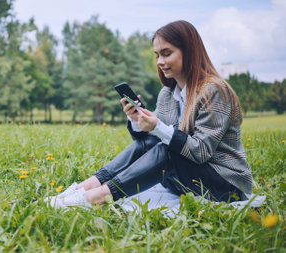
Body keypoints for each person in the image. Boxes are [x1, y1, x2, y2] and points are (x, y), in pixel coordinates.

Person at [46, 20, 253, 209]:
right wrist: (137, 120)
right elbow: (151, 142)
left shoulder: (214, 90)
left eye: (166, 53)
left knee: (166, 151)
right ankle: (82, 189)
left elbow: (201, 152)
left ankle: (94, 198)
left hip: (226, 185)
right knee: (147, 144)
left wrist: (157, 127)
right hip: (188, 179)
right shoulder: (168, 94)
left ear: (188, 51)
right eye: (157, 55)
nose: (160, 62)